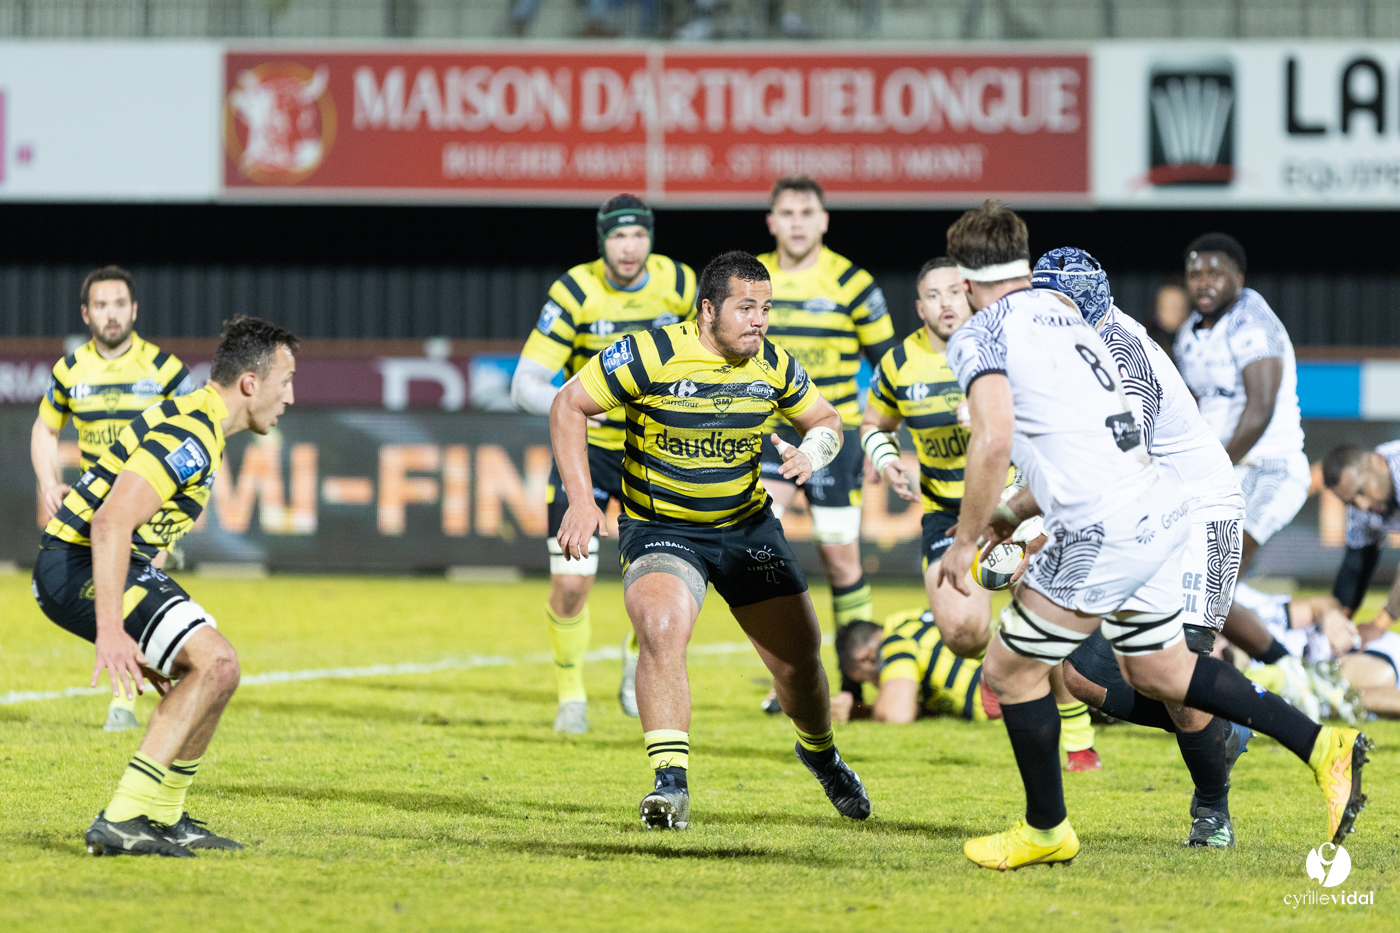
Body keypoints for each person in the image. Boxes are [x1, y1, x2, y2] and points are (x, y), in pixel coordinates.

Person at [937, 201, 1368, 871]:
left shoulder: (987, 332)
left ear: (965, 281)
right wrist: (1022, 513)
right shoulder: (1073, 324)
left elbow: (997, 438)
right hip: (1154, 506)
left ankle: (1050, 827)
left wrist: (975, 537)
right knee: (1160, 671)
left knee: (1010, 668)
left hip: (1150, 512)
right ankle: (1320, 745)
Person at [549, 250, 870, 829]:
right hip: (662, 529)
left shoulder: (773, 365)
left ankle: (820, 753)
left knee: (799, 660)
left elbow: (827, 420)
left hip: (747, 528)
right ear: (707, 310)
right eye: (746, 307)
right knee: (662, 627)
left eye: (766, 308)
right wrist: (579, 497)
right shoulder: (651, 353)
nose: (760, 320)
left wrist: (812, 452)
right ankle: (669, 786)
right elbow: (569, 403)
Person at [32, 316, 297, 857]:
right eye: (286, 380)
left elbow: (138, 536)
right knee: (216, 662)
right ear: (250, 383)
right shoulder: (193, 435)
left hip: (104, 562)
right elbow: (109, 523)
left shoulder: (200, 423)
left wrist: (156, 640)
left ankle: (165, 815)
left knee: (216, 672)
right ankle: (124, 816)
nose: (291, 396)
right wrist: (112, 630)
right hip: (76, 564)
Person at [1030, 247, 1251, 847]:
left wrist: (1030, 529)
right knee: (1078, 673)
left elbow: (1116, 468)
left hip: (1200, 514)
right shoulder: (1070, 344)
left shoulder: (1123, 357)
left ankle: (1212, 809)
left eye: (1055, 307)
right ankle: (1228, 722)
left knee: (1179, 673)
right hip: (1148, 511)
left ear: (1087, 306)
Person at [857, 256, 1099, 769]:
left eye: (954, 292)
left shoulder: (1004, 343)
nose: (946, 304)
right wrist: (885, 459)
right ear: (919, 305)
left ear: (969, 293)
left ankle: (1076, 735)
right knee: (962, 634)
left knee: (1036, 599)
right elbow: (874, 423)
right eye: (933, 295)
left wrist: (997, 410)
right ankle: (996, 662)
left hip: (1015, 501)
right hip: (947, 511)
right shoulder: (900, 363)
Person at [512, 194, 696, 734]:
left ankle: (639, 651)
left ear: (651, 239)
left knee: (665, 579)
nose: (629, 247)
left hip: (655, 451)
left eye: (638, 235)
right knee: (572, 584)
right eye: (618, 237)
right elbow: (525, 382)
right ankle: (571, 696)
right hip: (586, 456)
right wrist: (577, 410)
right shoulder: (574, 291)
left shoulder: (682, 285)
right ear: (603, 242)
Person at [30, 265, 195, 733]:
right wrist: (48, 480)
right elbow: (44, 427)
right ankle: (147, 687)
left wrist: (175, 514)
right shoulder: (69, 370)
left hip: (148, 501)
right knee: (114, 594)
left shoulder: (164, 370)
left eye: (120, 303)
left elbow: (196, 432)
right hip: (96, 506)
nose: (112, 314)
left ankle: (126, 703)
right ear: (86, 313)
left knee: (127, 592)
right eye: (101, 305)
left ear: (134, 309)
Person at [757, 175, 898, 706]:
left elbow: (889, 366)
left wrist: (878, 435)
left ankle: (852, 684)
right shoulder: (751, 278)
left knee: (841, 559)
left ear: (824, 220)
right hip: (766, 432)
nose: (796, 222)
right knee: (757, 544)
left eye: (806, 212)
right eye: (786, 213)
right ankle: (786, 677)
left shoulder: (853, 282)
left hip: (831, 438)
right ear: (772, 221)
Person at [1173, 234, 1311, 672]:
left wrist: (1206, 467)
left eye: (1215, 273)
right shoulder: (1189, 333)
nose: (1204, 283)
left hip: (1268, 468)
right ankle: (1286, 672)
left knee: (1212, 579)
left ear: (1238, 277)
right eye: (1196, 274)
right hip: (1222, 471)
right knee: (1195, 581)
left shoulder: (1252, 321)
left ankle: (1225, 680)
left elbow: (1260, 409)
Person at [831, 609, 1000, 724]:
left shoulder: (895, 642)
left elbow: (895, 715)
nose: (878, 686)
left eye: (868, 680)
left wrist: (858, 713)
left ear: (867, 658)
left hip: (1007, 706)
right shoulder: (911, 619)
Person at [1322, 442, 1400, 632]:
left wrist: (1380, 624)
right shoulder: (1361, 507)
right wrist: (1337, 624)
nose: (1363, 505)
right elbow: (1356, 566)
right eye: (1351, 502)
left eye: (1361, 491)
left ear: (1378, 463)